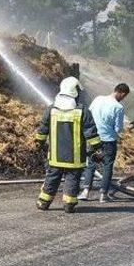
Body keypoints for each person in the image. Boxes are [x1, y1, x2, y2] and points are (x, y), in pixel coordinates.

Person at [35, 76, 102, 214]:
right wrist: (96, 148)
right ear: (75, 92)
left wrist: (39, 142)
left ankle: (43, 202)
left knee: (52, 178)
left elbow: (42, 130)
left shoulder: (51, 109)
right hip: (75, 157)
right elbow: (91, 133)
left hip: (55, 156)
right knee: (72, 179)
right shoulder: (82, 111)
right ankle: (69, 204)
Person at [78, 83, 130, 203]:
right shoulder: (118, 107)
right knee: (107, 166)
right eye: (124, 96)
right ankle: (103, 194)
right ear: (122, 93)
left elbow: (89, 116)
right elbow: (118, 129)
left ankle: (85, 192)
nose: (123, 98)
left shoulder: (98, 99)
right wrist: (124, 130)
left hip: (93, 138)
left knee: (91, 164)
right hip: (108, 141)